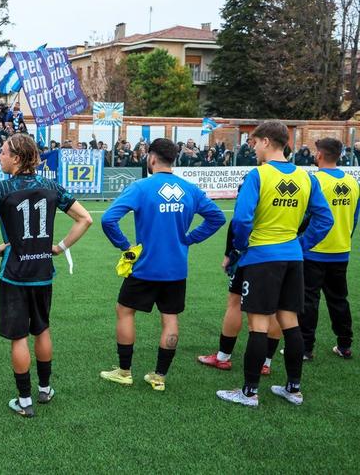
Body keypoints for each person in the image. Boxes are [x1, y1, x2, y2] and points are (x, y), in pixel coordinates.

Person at [0, 134, 93, 418]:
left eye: (2, 152)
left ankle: (25, 401)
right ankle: (45, 389)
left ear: (17, 157)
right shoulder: (50, 186)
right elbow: (86, 218)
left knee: (19, 337)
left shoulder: (2, 190)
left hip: (15, 274)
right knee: (42, 329)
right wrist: (59, 247)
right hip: (43, 271)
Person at [216, 121, 332, 408]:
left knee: (258, 324)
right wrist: (300, 245)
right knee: (289, 322)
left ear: (266, 141)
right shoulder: (308, 178)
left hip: (262, 258)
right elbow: (325, 219)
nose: (253, 148)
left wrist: (239, 249)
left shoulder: (258, 175)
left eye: (254, 143)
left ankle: (249, 392)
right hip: (293, 259)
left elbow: (242, 220)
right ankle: (293, 388)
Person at [100, 138, 225, 392]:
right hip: (176, 268)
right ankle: (159, 376)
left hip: (145, 266)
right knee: (170, 318)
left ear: (152, 158)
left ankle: (124, 371)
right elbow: (217, 217)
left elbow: (108, 219)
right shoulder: (190, 189)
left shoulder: (141, 187)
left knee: (124, 311)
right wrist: (189, 239)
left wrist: (125, 246)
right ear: (174, 159)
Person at [197, 212, 282, 375]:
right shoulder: (305, 185)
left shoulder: (253, 185)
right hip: (285, 254)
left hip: (251, 253)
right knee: (274, 306)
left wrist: (232, 251)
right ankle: (265, 362)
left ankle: (223, 358)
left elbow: (240, 220)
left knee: (235, 302)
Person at [298, 137, 359, 359]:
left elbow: (304, 217)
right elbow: (354, 218)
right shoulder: (353, 182)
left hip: (314, 250)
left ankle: (305, 348)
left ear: (320, 155)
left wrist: (301, 242)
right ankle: (344, 345)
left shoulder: (313, 180)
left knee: (309, 300)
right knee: (339, 299)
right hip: (341, 249)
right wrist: (344, 239)